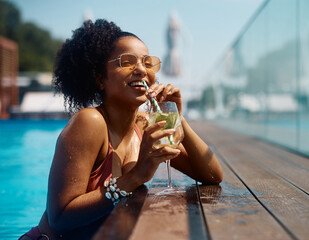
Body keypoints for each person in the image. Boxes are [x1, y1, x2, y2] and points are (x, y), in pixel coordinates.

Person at [19, 19, 222, 240]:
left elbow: (211, 175)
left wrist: (178, 118)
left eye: (147, 62)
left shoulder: (145, 125)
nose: (141, 69)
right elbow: (59, 220)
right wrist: (136, 176)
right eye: (127, 62)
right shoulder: (90, 122)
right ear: (100, 79)